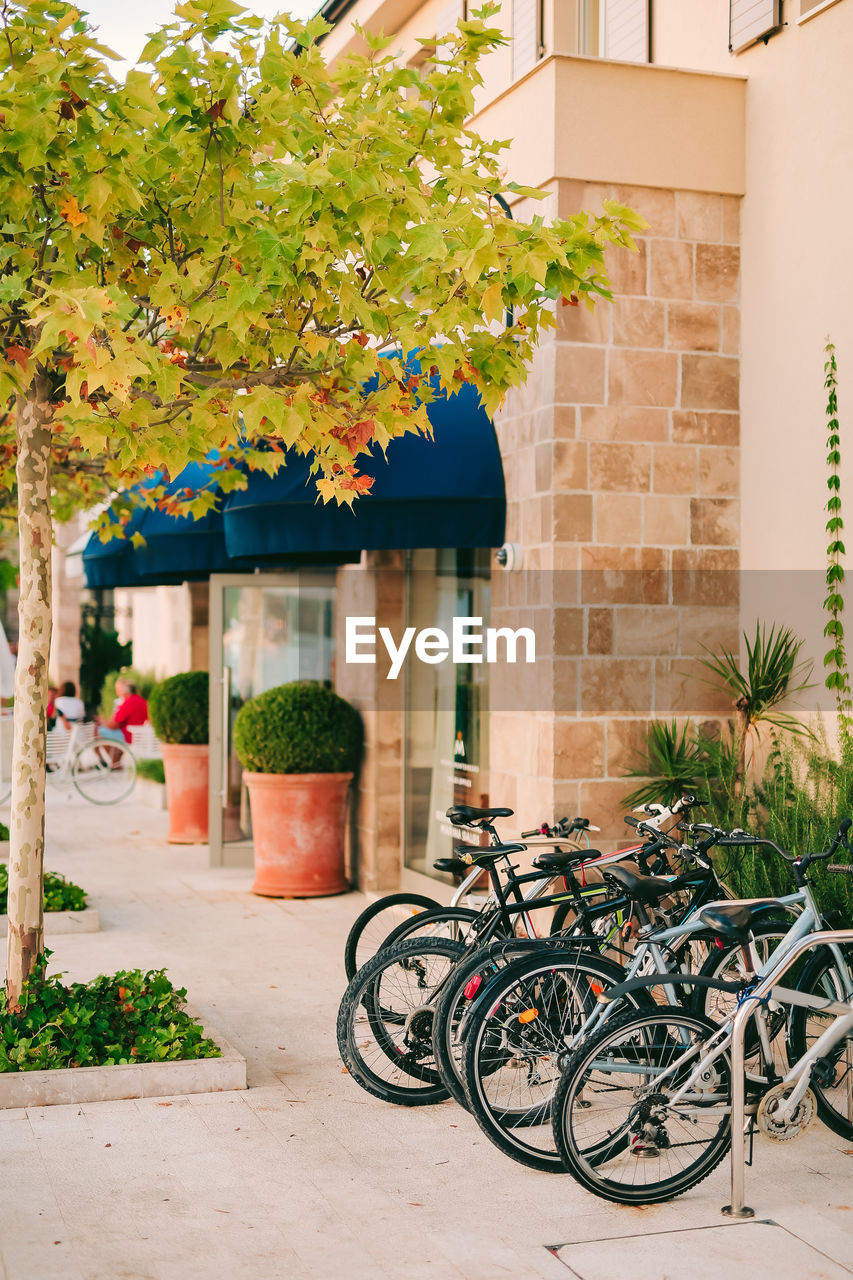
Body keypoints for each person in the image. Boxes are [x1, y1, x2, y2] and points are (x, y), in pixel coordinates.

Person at [96, 678, 148, 744]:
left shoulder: (128, 703)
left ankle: (109, 754)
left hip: (129, 737)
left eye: (118, 690)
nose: (117, 693)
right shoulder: (142, 701)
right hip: (140, 737)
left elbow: (113, 725)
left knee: (99, 731)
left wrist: (102, 721)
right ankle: (114, 753)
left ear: (124, 691)